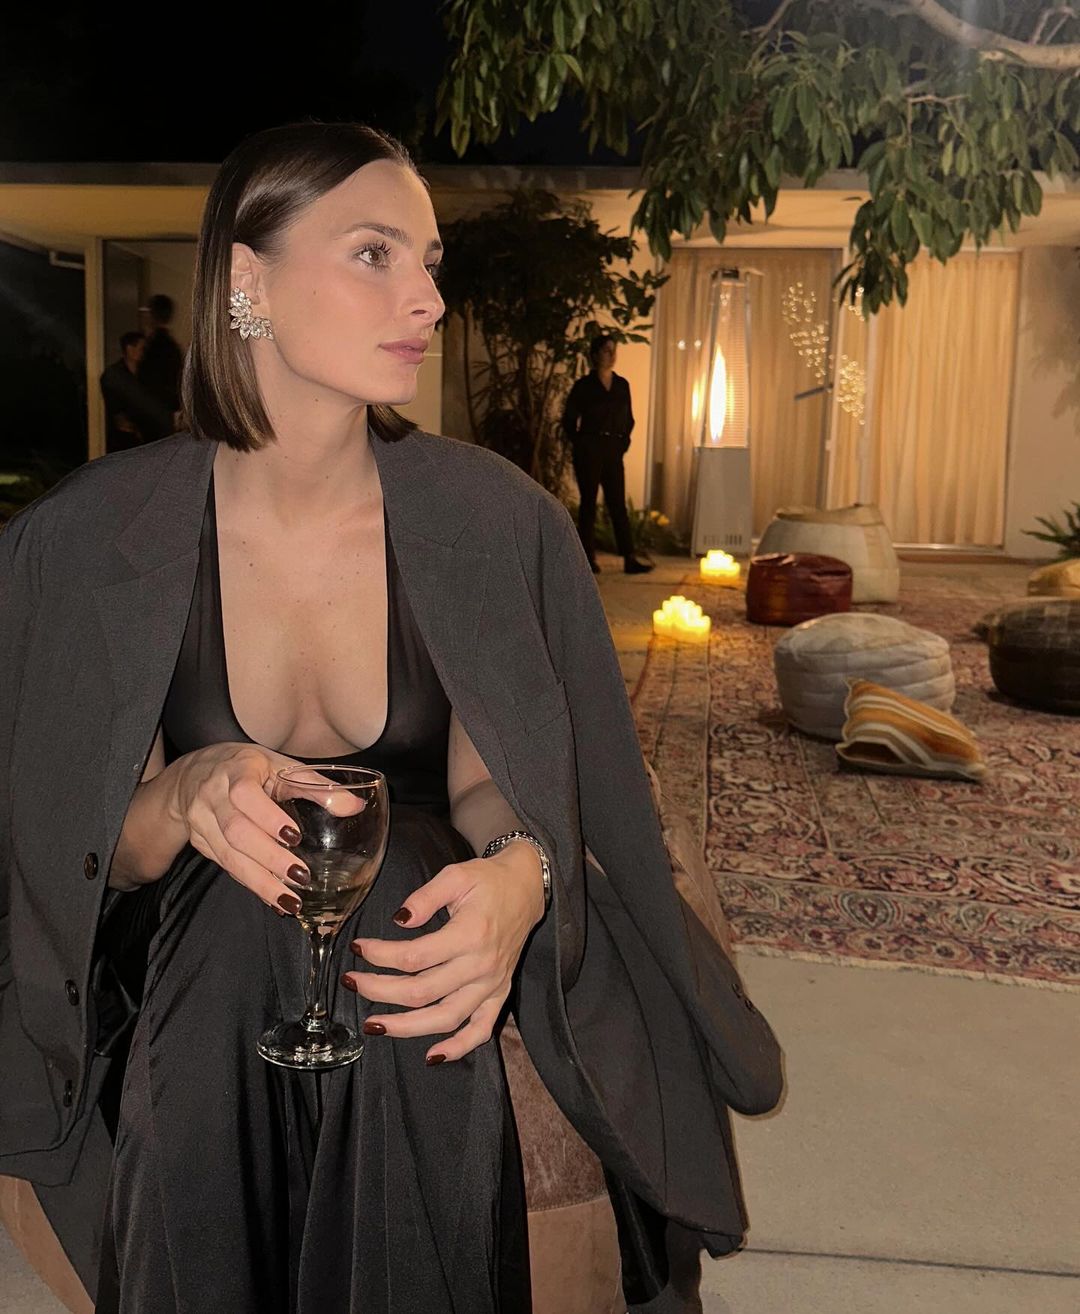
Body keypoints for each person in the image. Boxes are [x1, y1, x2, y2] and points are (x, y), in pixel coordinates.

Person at [0, 123, 783, 1314]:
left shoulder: (491, 521)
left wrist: (522, 872)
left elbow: (489, 775)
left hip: (423, 914)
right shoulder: (94, 537)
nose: (427, 297)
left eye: (429, 261)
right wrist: (188, 793)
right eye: (374, 253)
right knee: (243, 910)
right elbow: (87, 850)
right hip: (189, 943)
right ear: (248, 280)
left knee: (394, 868)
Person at [562, 335, 654, 575]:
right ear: (595, 355)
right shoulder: (584, 386)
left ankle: (629, 557)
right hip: (590, 448)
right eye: (606, 351)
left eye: (613, 350)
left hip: (613, 449)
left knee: (617, 504)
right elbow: (569, 419)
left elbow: (629, 419)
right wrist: (582, 444)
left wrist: (623, 442)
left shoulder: (621, 385)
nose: (611, 356)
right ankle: (587, 558)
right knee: (589, 504)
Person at [99, 330, 175, 452]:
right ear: (130, 349)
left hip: (145, 438)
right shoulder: (115, 376)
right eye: (142, 348)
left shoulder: (146, 374)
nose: (144, 352)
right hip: (124, 439)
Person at [137, 292, 185, 432]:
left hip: (154, 414)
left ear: (152, 315)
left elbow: (148, 382)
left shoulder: (156, 346)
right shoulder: (171, 346)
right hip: (166, 413)